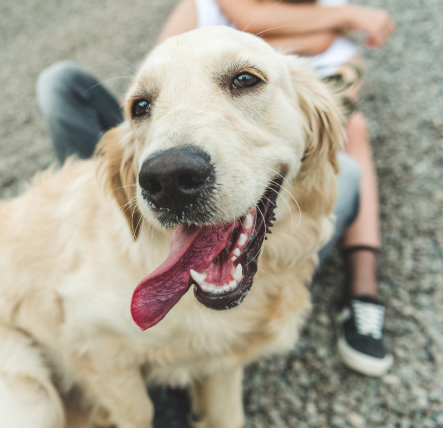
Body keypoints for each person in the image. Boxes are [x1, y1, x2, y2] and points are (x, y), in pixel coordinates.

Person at [37, 0, 394, 378]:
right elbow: (155, 84)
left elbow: (340, 90)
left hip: (269, 153)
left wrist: (328, 25)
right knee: (60, 81)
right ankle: (97, 211)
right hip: (170, 134)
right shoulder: (205, 6)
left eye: (244, 79)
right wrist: (346, 19)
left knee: (351, 158)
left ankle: (361, 290)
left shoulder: (334, 45)